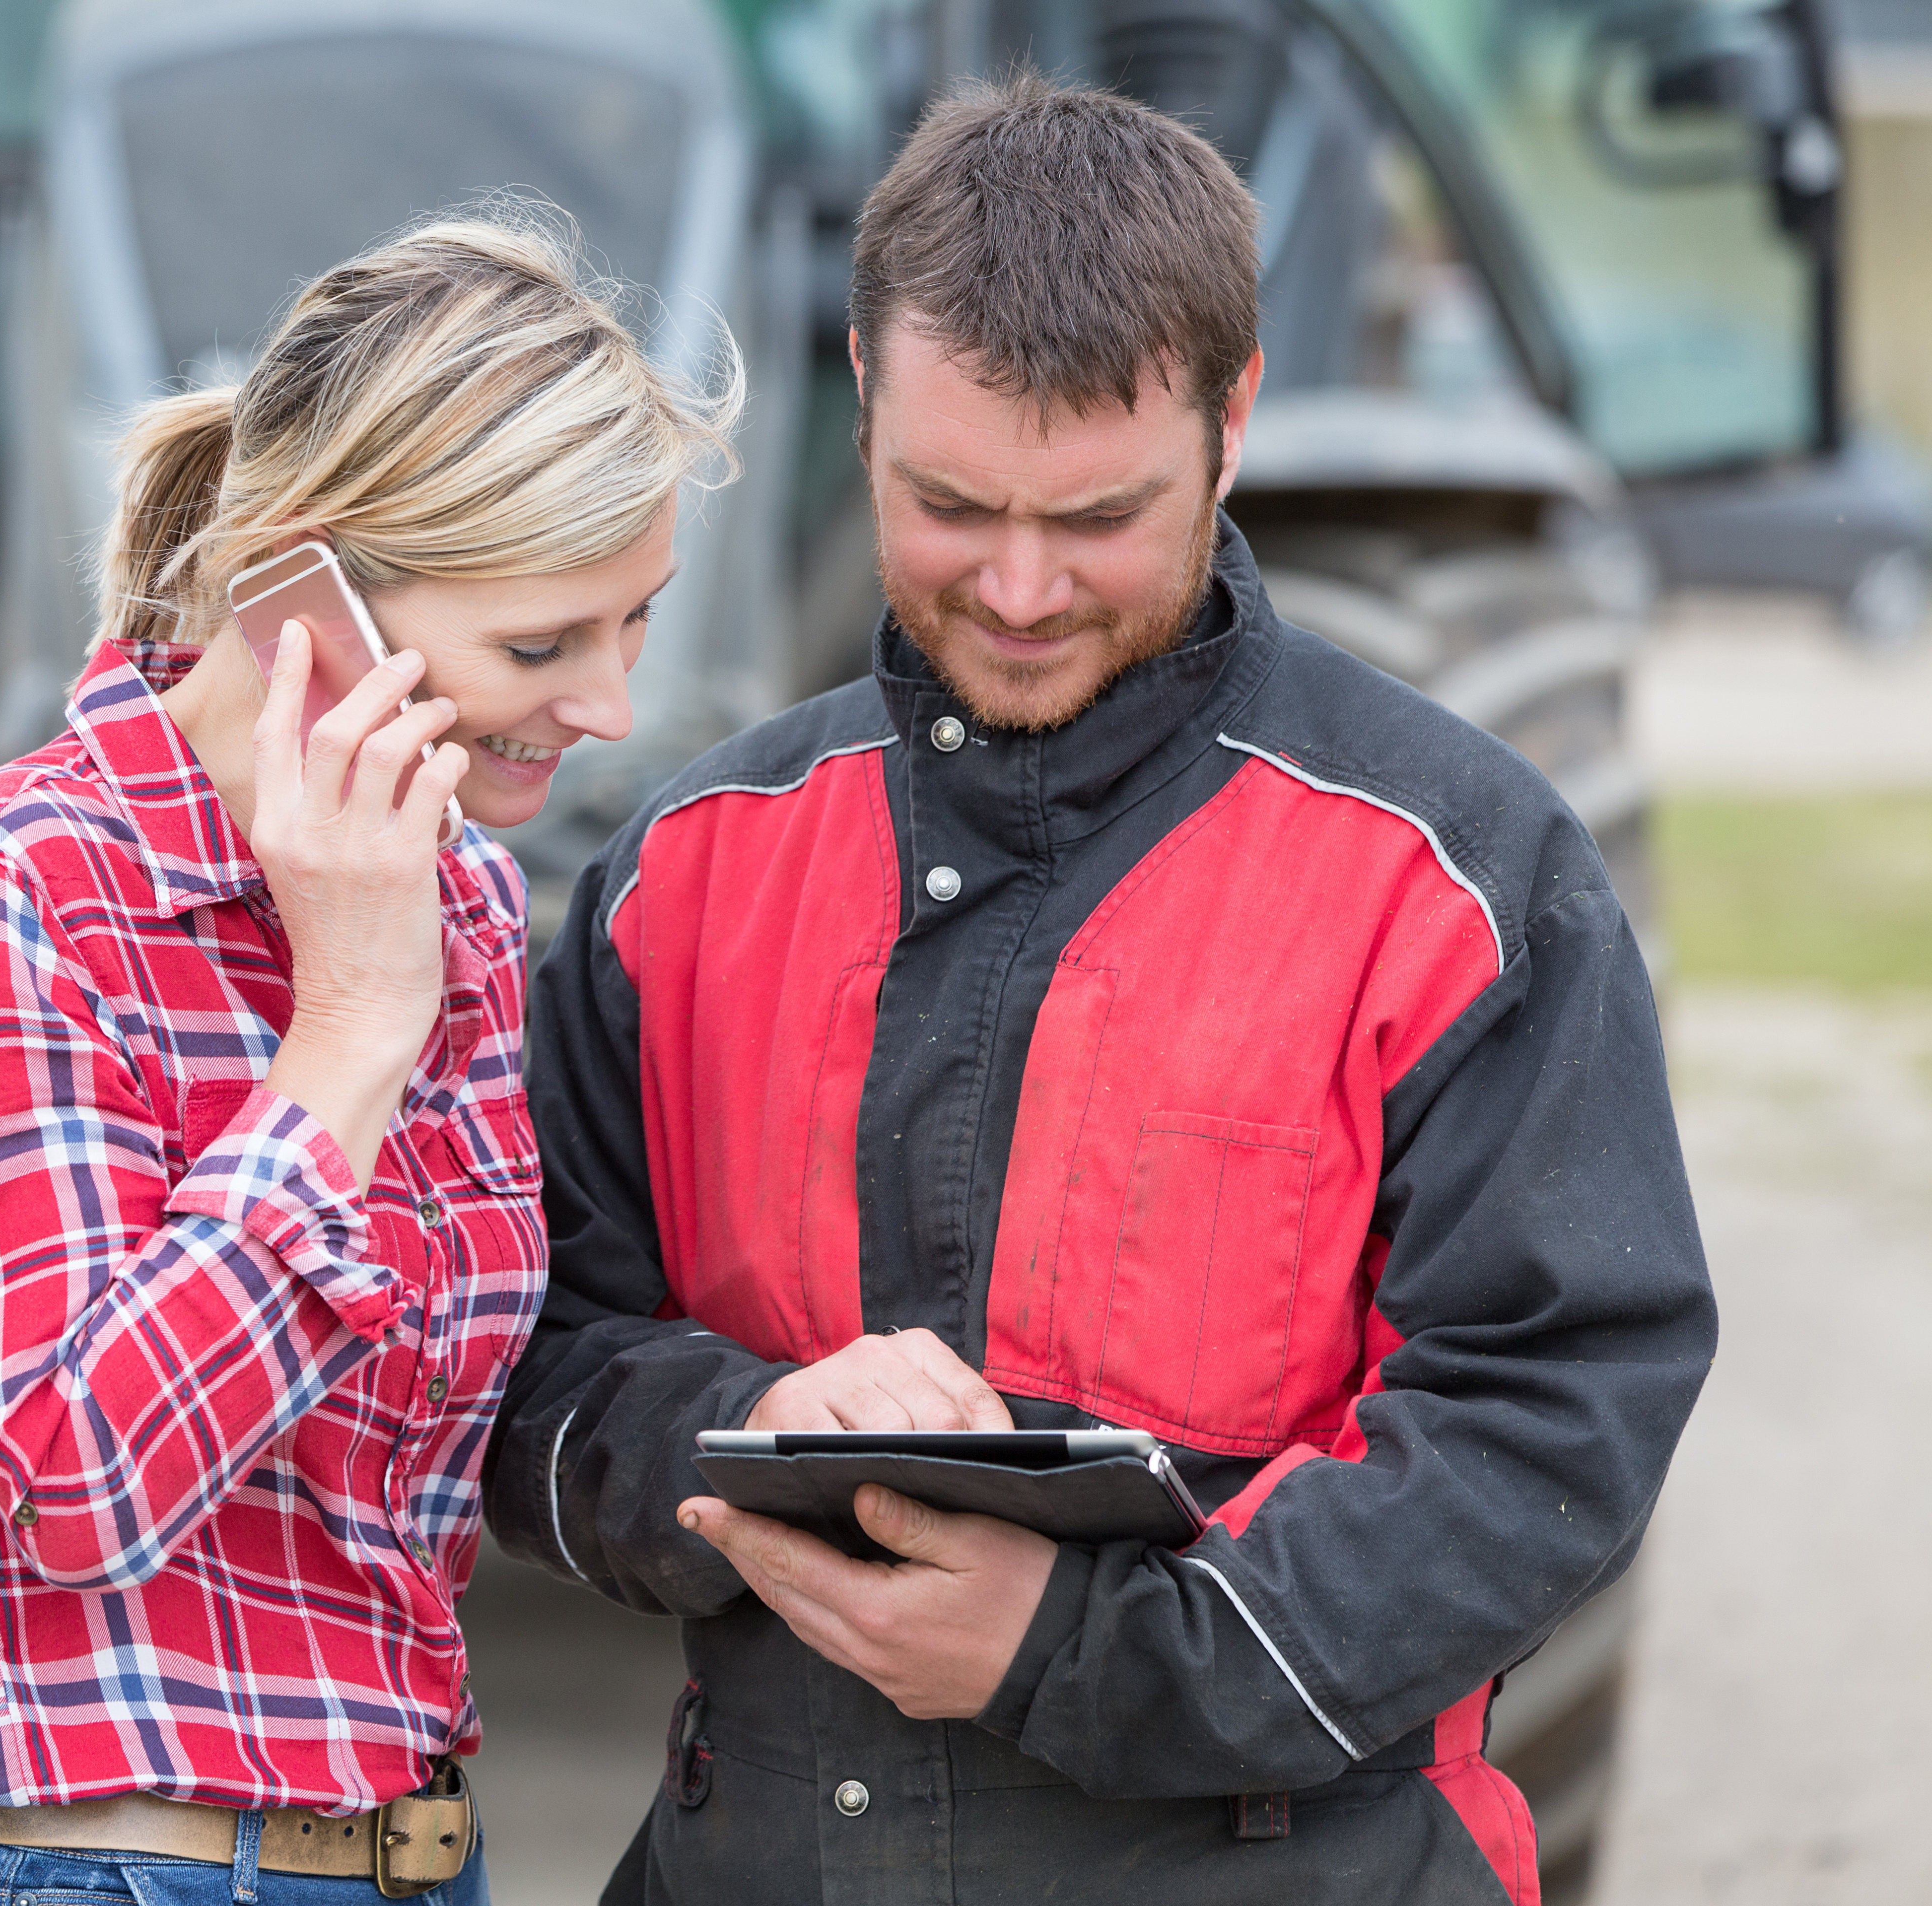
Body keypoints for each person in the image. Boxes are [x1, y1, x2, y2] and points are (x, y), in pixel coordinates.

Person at [485, 76, 1714, 1905]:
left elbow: (1544, 1420)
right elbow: (521, 1351)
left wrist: (1072, 1645)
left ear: (1233, 417)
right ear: (861, 385)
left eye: (1099, 515)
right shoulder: (688, 872)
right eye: (951, 505)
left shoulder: (1455, 882)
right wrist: (738, 1431)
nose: (1022, 585)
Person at [0, 215, 735, 1905]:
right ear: (296, 589)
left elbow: (476, 1408)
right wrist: (347, 1033)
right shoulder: (10, 899)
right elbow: (78, 1479)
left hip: (401, 1854)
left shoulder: (452, 886)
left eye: (636, 624)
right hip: (92, 1875)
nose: (609, 703)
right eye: (543, 646)